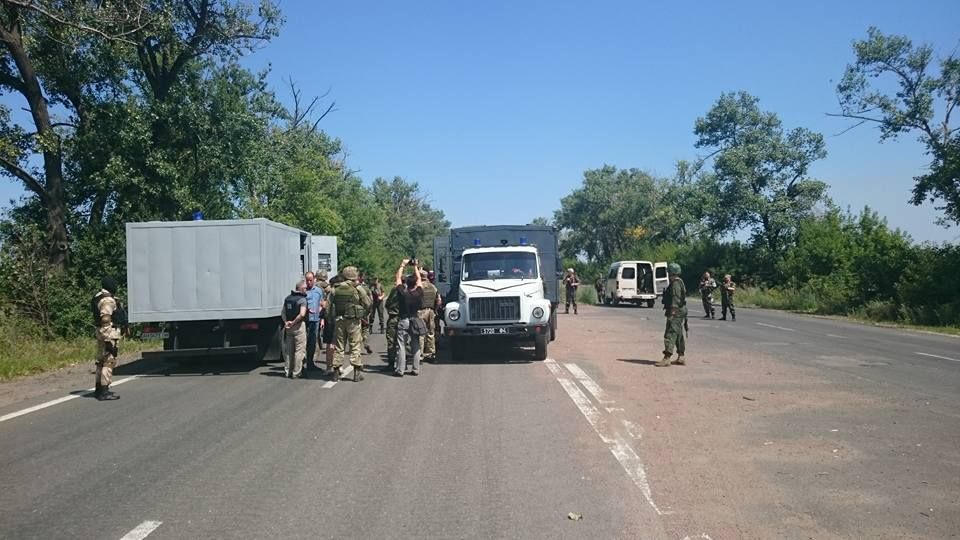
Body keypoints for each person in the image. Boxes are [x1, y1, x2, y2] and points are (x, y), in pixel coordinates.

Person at [329, 266, 371, 382]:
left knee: (339, 346)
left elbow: (328, 307)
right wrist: (363, 314)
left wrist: (330, 320)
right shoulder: (357, 289)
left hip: (339, 320)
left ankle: (336, 372)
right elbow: (368, 303)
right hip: (353, 321)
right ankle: (357, 373)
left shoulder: (335, 289)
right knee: (355, 345)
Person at [93, 277, 123, 401]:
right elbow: (105, 318)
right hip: (108, 333)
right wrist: (108, 337)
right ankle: (104, 391)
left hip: (100, 332)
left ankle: (99, 388)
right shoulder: (108, 300)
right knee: (108, 361)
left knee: (101, 361)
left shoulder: (98, 296)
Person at [394, 259, 424, 377]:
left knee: (401, 346)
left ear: (406, 283)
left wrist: (402, 265)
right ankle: (416, 369)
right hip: (415, 319)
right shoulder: (419, 293)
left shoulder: (403, 293)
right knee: (415, 345)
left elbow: (397, 278)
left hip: (403, 319)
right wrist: (415, 266)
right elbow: (420, 279)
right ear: (416, 284)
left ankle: (400, 370)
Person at [657, 263, 687, 367]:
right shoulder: (678, 282)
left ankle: (667, 358)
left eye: (669, 272)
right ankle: (681, 356)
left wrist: (673, 312)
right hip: (680, 310)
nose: (668, 274)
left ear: (672, 272)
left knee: (670, 333)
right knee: (678, 333)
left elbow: (676, 298)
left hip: (676, 311)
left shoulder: (675, 283)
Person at [282, 281, 308, 378]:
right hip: (298, 326)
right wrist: (293, 322)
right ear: (301, 289)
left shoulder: (287, 299)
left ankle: (287, 371)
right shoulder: (302, 299)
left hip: (288, 328)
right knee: (299, 350)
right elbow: (302, 314)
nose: (306, 290)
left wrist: (286, 322)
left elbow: (283, 312)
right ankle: (296, 372)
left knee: (289, 350)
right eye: (305, 288)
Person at [303, 271, 324, 375]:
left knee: (312, 342)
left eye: (311, 280)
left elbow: (322, 303)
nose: (309, 282)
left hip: (315, 320)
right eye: (307, 280)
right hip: (305, 320)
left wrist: (321, 316)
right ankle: (301, 365)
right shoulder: (303, 291)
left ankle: (310, 363)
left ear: (314, 279)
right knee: (303, 342)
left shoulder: (319, 291)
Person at [418, 269, 441, 362]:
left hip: (420, 311)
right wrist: (435, 310)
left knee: (420, 334)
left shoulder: (418, 287)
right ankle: (431, 354)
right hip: (431, 311)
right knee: (431, 333)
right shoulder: (433, 287)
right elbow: (438, 300)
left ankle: (420, 354)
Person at [384, 282, 402, 370]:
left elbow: (387, 304)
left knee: (391, 341)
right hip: (404, 318)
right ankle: (403, 363)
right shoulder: (409, 290)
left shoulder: (394, 291)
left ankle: (391, 364)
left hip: (393, 318)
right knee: (404, 342)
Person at [357, 272, 374, 354]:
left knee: (356, 329)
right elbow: (370, 301)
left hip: (354, 312)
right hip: (363, 311)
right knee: (365, 328)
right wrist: (369, 311)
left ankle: (357, 347)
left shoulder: (352, 287)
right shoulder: (366, 288)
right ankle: (366, 342)